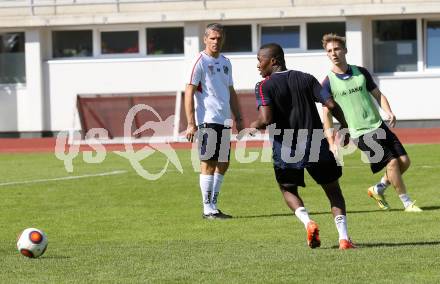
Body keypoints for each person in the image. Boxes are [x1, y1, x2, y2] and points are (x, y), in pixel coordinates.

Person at [249, 43, 355, 249]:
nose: (258, 65)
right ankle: (343, 239)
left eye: (260, 60)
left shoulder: (264, 86)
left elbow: (265, 118)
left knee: (287, 189)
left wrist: (254, 125)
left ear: (273, 61)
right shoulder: (306, 78)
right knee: (333, 191)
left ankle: (308, 222)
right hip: (316, 144)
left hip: (286, 148)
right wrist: (345, 126)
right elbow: (331, 105)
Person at [321, 33, 422, 212]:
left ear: (345, 50)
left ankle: (378, 188)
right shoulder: (328, 83)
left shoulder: (361, 72)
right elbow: (326, 116)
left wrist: (388, 111)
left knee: (404, 162)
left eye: (337, 49)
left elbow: (378, 95)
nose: (334, 53)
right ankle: (407, 203)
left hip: (378, 125)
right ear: (327, 54)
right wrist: (331, 142)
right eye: (330, 51)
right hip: (359, 132)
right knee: (391, 163)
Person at [185, 23, 243, 219]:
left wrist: (239, 117)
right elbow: (189, 92)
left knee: (224, 162)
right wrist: (191, 123)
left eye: (219, 38)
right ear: (205, 39)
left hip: (224, 120)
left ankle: (213, 205)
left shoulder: (227, 62)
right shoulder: (199, 61)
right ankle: (207, 209)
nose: (215, 41)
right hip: (208, 120)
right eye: (212, 38)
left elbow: (231, 91)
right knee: (208, 162)